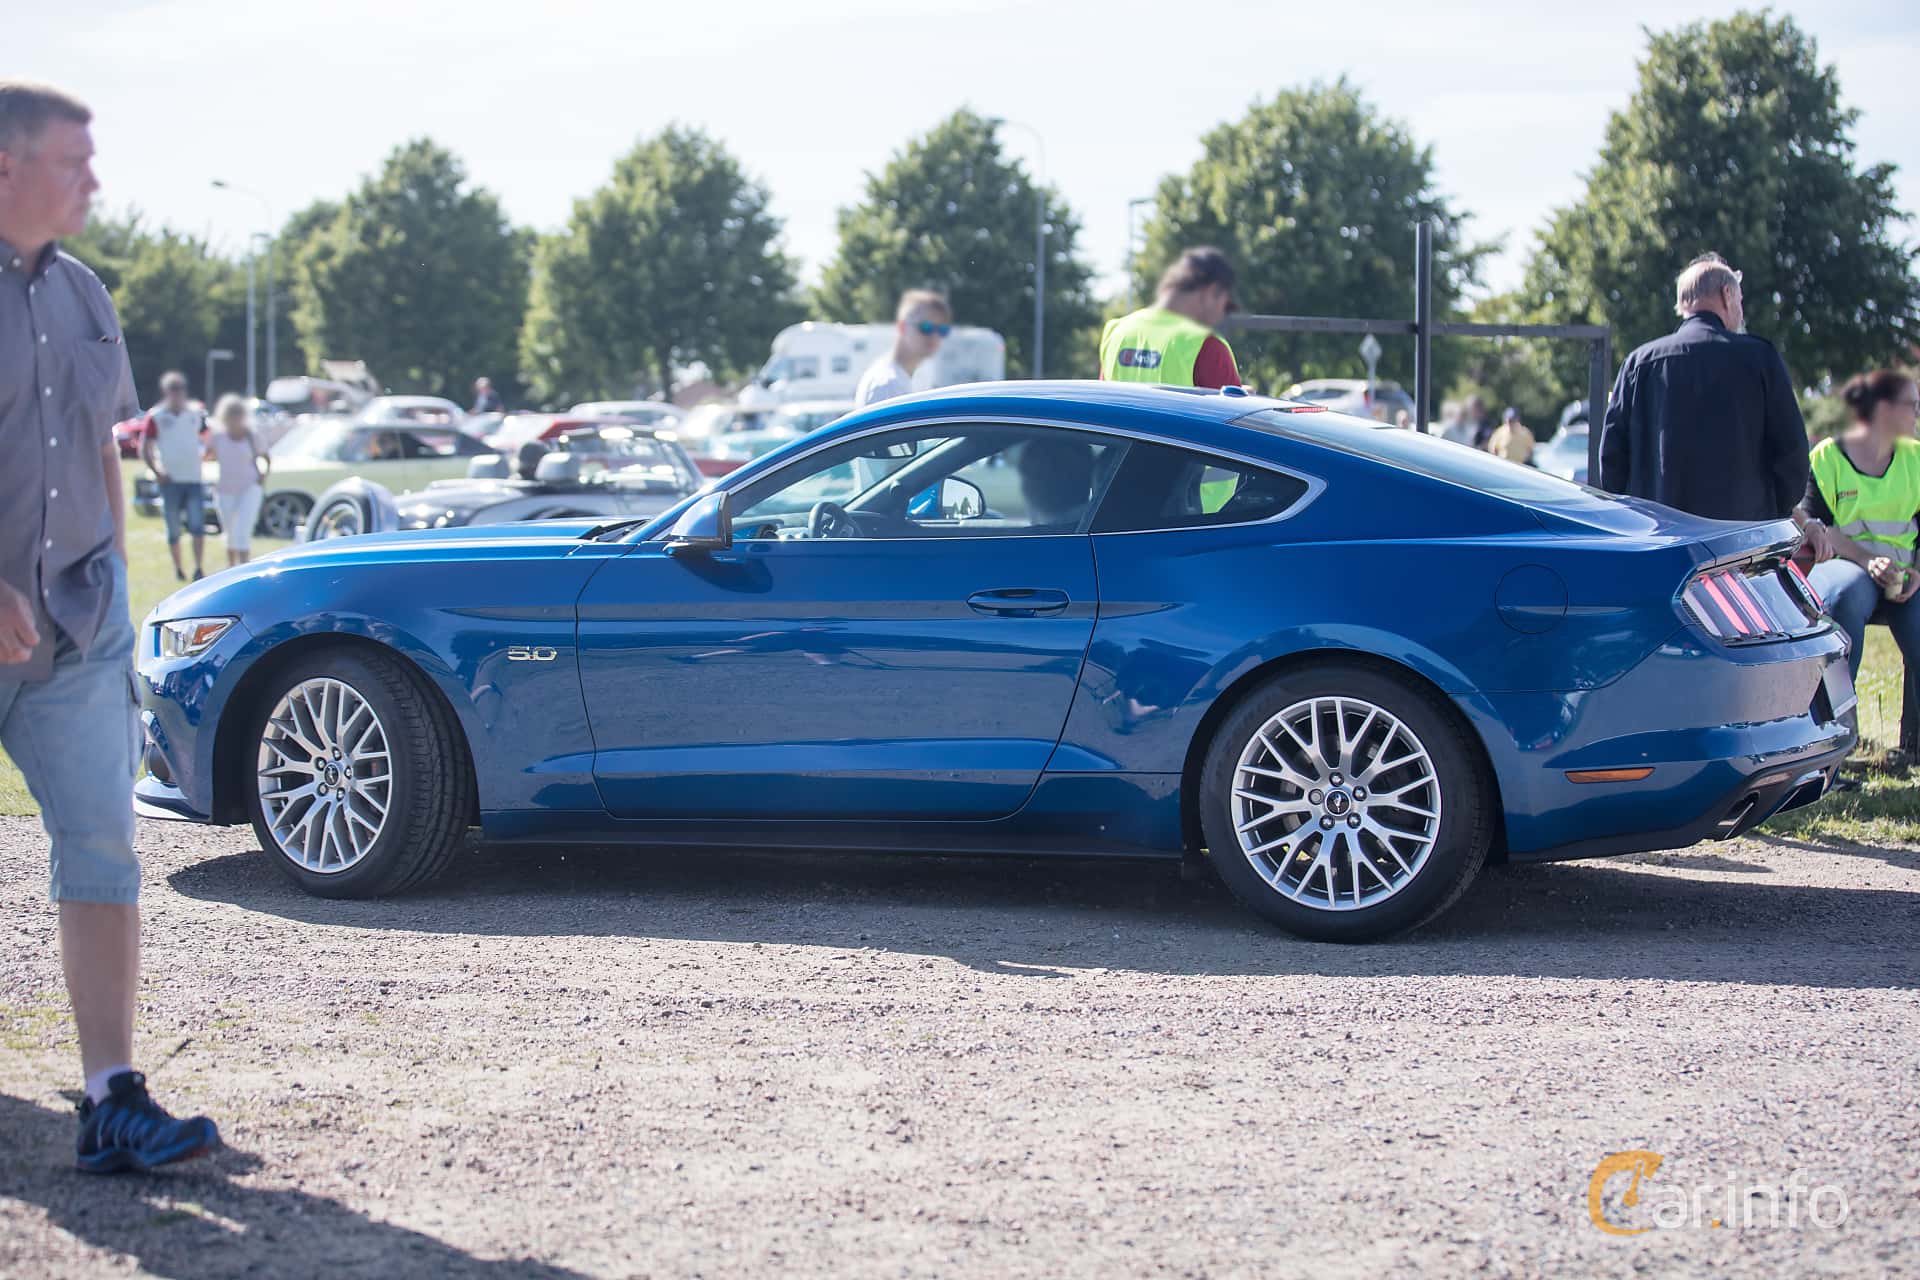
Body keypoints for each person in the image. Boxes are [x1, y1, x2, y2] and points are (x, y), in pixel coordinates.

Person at [0, 80, 220, 1173]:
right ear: (7, 166)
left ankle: (110, 1094)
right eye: (73, 162)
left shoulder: (86, 292)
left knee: (103, 847)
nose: (94, 181)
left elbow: (100, 448)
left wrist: (116, 594)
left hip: (76, 632)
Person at [1598, 253, 1809, 521]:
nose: (1741, 311)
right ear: (1727, 295)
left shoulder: (1638, 364)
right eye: (1740, 301)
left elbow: (1612, 462)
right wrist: (1771, 510)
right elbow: (1792, 454)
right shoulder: (1759, 358)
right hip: (1741, 542)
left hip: (1662, 541)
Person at [1795, 370, 1920, 683]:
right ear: (1883, 409)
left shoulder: (1916, 458)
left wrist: (1918, 572)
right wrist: (1867, 561)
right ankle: (1839, 724)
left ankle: (1912, 734)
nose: (1917, 413)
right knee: (1844, 597)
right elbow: (1817, 525)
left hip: (1904, 575)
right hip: (1844, 568)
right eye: (1912, 405)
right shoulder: (1828, 457)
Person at [1099, 247, 1241, 388]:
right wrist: (1242, 400)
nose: (1222, 314)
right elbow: (1232, 410)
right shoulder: (1206, 345)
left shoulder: (1115, 332)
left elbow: (1104, 403)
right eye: (1226, 305)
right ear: (1211, 292)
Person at [139, 370, 207, 581]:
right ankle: (178, 568)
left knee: (197, 525)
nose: (177, 394)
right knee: (174, 527)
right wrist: (157, 471)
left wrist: (206, 455)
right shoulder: (157, 416)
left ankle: (198, 566)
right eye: (173, 390)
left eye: (180, 389)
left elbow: (208, 437)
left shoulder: (195, 413)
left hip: (194, 477)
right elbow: (145, 447)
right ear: (166, 391)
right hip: (171, 480)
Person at [854, 290, 951, 408]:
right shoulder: (888, 385)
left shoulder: (909, 378)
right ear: (902, 327)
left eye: (942, 330)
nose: (935, 336)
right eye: (926, 327)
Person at [207, 393, 268, 567]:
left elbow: (266, 456)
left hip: (249, 487)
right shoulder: (218, 437)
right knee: (230, 531)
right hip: (225, 488)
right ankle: (231, 566)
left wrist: (263, 475)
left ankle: (244, 565)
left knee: (242, 529)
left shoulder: (252, 436)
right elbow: (207, 457)